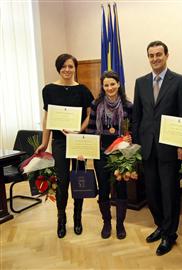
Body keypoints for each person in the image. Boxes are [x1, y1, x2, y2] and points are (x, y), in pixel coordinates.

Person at [132, 40, 182, 256]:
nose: (155, 58)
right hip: (147, 147)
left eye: (159, 54)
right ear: (148, 57)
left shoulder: (179, 81)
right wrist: (137, 143)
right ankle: (161, 225)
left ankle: (170, 234)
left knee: (169, 192)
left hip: (170, 147)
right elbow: (136, 116)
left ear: (167, 55)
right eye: (151, 55)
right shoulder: (140, 83)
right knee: (152, 191)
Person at [36, 53, 94, 238]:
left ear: (75, 68)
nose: (67, 70)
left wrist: (79, 131)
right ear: (58, 68)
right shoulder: (49, 90)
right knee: (62, 182)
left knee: (79, 180)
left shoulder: (83, 90)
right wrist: (44, 143)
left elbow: (89, 116)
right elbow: (47, 118)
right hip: (59, 143)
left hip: (78, 142)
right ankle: (61, 219)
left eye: (71, 66)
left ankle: (78, 218)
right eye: (64, 66)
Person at [86, 71, 132, 240]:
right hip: (101, 153)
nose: (110, 87)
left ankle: (120, 224)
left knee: (121, 189)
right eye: (106, 85)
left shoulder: (128, 105)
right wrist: (87, 150)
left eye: (113, 84)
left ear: (118, 84)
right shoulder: (96, 104)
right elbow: (90, 130)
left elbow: (132, 129)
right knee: (104, 189)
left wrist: (130, 136)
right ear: (103, 87)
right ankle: (107, 222)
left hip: (120, 154)